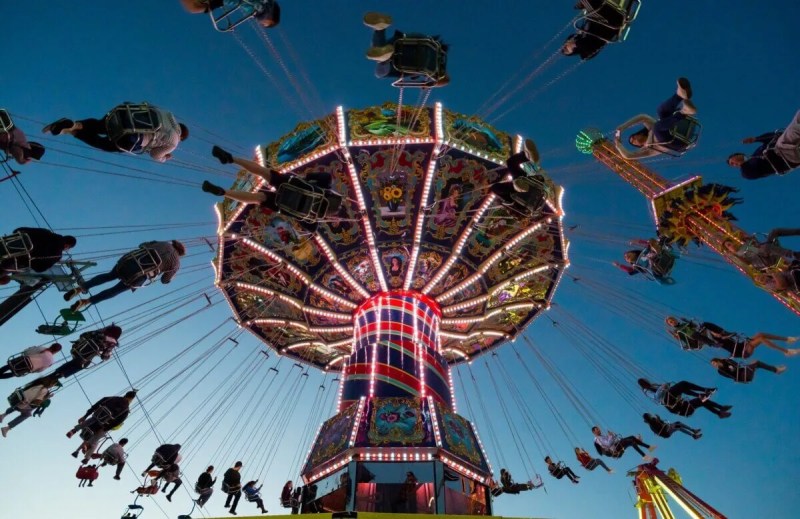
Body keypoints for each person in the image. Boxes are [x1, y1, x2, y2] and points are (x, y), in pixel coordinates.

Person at [202, 146, 339, 230]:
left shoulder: (325, 183)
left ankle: (231, 159)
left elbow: (311, 176)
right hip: (283, 204)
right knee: (259, 198)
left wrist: (307, 180)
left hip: (293, 186)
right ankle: (223, 192)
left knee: (264, 172)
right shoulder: (313, 222)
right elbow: (303, 223)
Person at [63, 240, 185, 312]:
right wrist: (171, 278)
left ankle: (80, 288)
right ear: (180, 254)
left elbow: (141, 245)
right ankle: (85, 302)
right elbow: (165, 280)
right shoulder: (176, 263)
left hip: (128, 262)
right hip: (138, 276)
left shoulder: (161, 243)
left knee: (108, 276)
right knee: (114, 291)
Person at [43, 104, 189, 162]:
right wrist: (165, 157)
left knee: (100, 125)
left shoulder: (168, 114)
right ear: (181, 136)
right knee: (104, 144)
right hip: (134, 138)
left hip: (124, 115)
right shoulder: (174, 141)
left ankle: (75, 124)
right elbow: (155, 155)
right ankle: (71, 132)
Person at [614, 78, 697, 160]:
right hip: (675, 144)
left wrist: (623, 127)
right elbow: (628, 156)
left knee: (661, 111)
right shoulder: (647, 149)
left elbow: (643, 117)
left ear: (640, 134)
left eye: (633, 137)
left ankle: (679, 96)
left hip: (674, 132)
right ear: (639, 146)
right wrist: (619, 146)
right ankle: (683, 112)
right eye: (633, 142)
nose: (634, 139)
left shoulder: (651, 130)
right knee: (657, 127)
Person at [363, 12, 449, 86]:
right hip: (408, 61)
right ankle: (383, 59)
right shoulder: (432, 69)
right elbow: (444, 80)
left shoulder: (436, 50)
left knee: (381, 48)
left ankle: (380, 28)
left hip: (406, 42)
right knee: (380, 73)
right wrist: (431, 84)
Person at [727, 109, 800, 179]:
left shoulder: (758, 151)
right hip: (786, 156)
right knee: (787, 138)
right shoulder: (748, 170)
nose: (734, 164)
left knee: (797, 119)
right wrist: (742, 164)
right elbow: (749, 175)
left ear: (739, 155)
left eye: (732, 161)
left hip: (783, 146)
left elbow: (774, 136)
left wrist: (756, 139)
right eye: (732, 165)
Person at [66, 390, 137, 462]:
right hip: (104, 425)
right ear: (131, 399)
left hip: (96, 417)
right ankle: (87, 453)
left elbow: (97, 404)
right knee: (95, 440)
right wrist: (107, 428)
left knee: (91, 420)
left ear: (125, 394)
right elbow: (118, 422)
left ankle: (74, 430)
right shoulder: (126, 410)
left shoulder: (112, 398)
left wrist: (85, 416)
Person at [490, 141, 550, 216]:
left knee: (511, 163)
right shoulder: (517, 212)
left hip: (524, 188)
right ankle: (516, 186)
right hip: (522, 194)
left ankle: (526, 156)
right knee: (495, 187)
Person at [0, 227, 77, 283]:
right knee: (7, 275)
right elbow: (39, 269)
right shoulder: (57, 255)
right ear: (67, 246)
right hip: (11, 263)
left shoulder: (45, 231)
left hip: (4, 246)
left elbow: (17, 230)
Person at [561, 0, 628, 60]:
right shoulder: (585, 53)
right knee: (590, 6)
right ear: (573, 51)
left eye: (565, 45)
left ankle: (586, 4)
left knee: (591, 9)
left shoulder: (581, 33)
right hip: (609, 22)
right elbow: (589, 52)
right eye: (566, 49)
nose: (567, 44)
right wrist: (574, 44)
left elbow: (573, 37)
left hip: (603, 18)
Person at [52, 325, 123, 379]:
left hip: (77, 349)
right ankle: (60, 375)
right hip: (86, 357)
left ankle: (57, 372)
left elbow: (83, 335)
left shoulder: (99, 333)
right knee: (82, 365)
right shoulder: (112, 343)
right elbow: (105, 356)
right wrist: (102, 353)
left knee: (75, 361)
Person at [637, 378, 731, 418]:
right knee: (682, 385)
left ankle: (719, 411)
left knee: (685, 387)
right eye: (644, 382)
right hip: (669, 402)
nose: (647, 382)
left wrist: (665, 386)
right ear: (643, 384)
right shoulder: (647, 391)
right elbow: (656, 397)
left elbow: (662, 390)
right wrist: (663, 387)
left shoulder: (653, 385)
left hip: (678, 404)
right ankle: (701, 394)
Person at [180, 0, 281, 28]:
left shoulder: (257, 9)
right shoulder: (260, 9)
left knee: (194, 8)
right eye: (264, 24)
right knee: (194, 7)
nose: (260, 23)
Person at [711, 358, 786, 383]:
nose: (715, 365)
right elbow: (730, 376)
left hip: (743, 371)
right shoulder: (720, 371)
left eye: (714, 363)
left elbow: (737, 364)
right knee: (757, 363)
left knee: (756, 363)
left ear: (717, 360)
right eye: (713, 365)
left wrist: (732, 365)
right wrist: (732, 370)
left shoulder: (726, 360)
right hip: (741, 376)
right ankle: (776, 370)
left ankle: (775, 369)